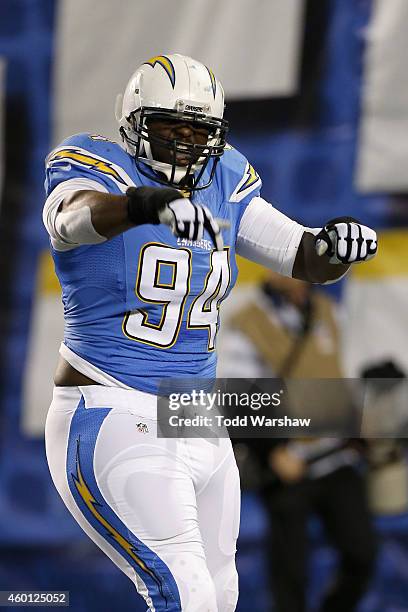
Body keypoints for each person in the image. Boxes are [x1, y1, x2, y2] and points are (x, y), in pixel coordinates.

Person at [43, 54, 378, 611]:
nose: (183, 146)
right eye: (170, 129)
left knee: (220, 596)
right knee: (184, 592)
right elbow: (69, 218)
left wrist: (334, 248)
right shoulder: (96, 167)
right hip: (111, 403)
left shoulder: (225, 178)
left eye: (197, 133)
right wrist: (141, 204)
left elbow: (301, 255)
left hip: (195, 415)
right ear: (134, 123)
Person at [219, 273, 377, 612]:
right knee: (290, 571)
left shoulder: (330, 311)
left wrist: (362, 427)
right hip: (288, 461)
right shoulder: (246, 323)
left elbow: (349, 372)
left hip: (337, 456)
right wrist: (272, 451)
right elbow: (235, 398)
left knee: (361, 552)